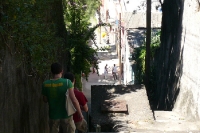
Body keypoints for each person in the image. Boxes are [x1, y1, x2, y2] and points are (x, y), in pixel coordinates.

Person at [42, 62, 83, 133]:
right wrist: (79, 112)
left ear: (51, 72)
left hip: (53, 115)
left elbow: (45, 100)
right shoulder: (67, 82)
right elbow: (74, 100)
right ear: (62, 71)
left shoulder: (45, 84)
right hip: (66, 115)